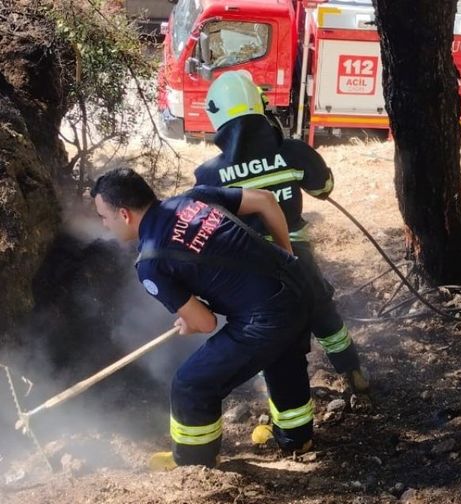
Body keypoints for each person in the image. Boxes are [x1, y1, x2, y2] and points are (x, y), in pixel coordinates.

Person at [91, 167, 333, 469]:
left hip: (268, 315)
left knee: (190, 384)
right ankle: (298, 439)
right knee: (283, 357)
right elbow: (266, 201)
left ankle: (193, 464)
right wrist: (286, 256)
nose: (104, 225)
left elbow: (205, 323)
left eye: (104, 216)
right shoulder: (195, 197)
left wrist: (189, 321)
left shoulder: (151, 263)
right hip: (302, 284)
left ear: (124, 214)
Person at [193, 70, 369, 395]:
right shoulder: (292, 152)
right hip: (298, 258)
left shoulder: (208, 175)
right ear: (261, 107)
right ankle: (353, 371)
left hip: (252, 273)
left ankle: (275, 396)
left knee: (270, 332)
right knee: (323, 313)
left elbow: (208, 229)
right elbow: (323, 188)